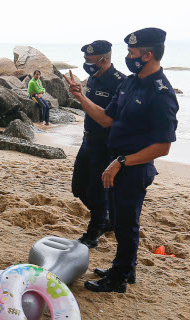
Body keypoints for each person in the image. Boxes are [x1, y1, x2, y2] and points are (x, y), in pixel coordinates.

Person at [65, 28, 179, 293]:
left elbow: (163, 146)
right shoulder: (130, 83)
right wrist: (81, 97)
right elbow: (107, 118)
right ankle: (125, 269)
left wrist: (122, 162)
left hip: (134, 167)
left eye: (132, 52)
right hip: (116, 162)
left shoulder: (161, 93)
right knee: (117, 220)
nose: (128, 56)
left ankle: (119, 278)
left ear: (147, 55)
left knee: (127, 223)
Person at [72, 40, 126, 248]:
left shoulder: (119, 82)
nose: (86, 63)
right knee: (78, 188)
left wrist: (80, 97)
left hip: (106, 145)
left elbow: (107, 119)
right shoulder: (93, 79)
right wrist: (81, 94)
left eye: (89, 59)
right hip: (88, 140)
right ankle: (106, 218)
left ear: (103, 59)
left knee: (96, 191)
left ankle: (92, 234)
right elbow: (91, 107)